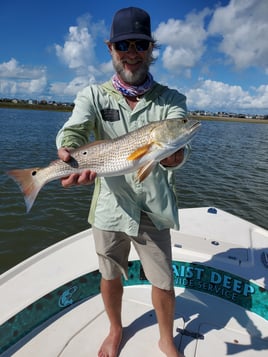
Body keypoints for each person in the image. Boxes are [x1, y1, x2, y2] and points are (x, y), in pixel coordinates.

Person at [56, 7, 187, 357]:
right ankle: (116, 329)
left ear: (151, 49)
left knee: (163, 280)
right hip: (110, 206)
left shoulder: (172, 100)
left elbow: (176, 140)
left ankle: (165, 338)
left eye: (140, 44)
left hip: (153, 208)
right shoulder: (93, 96)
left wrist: (173, 155)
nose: (132, 52)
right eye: (123, 44)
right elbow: (76, 128)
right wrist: (68, 151)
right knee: (110, 275)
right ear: (110, 47)